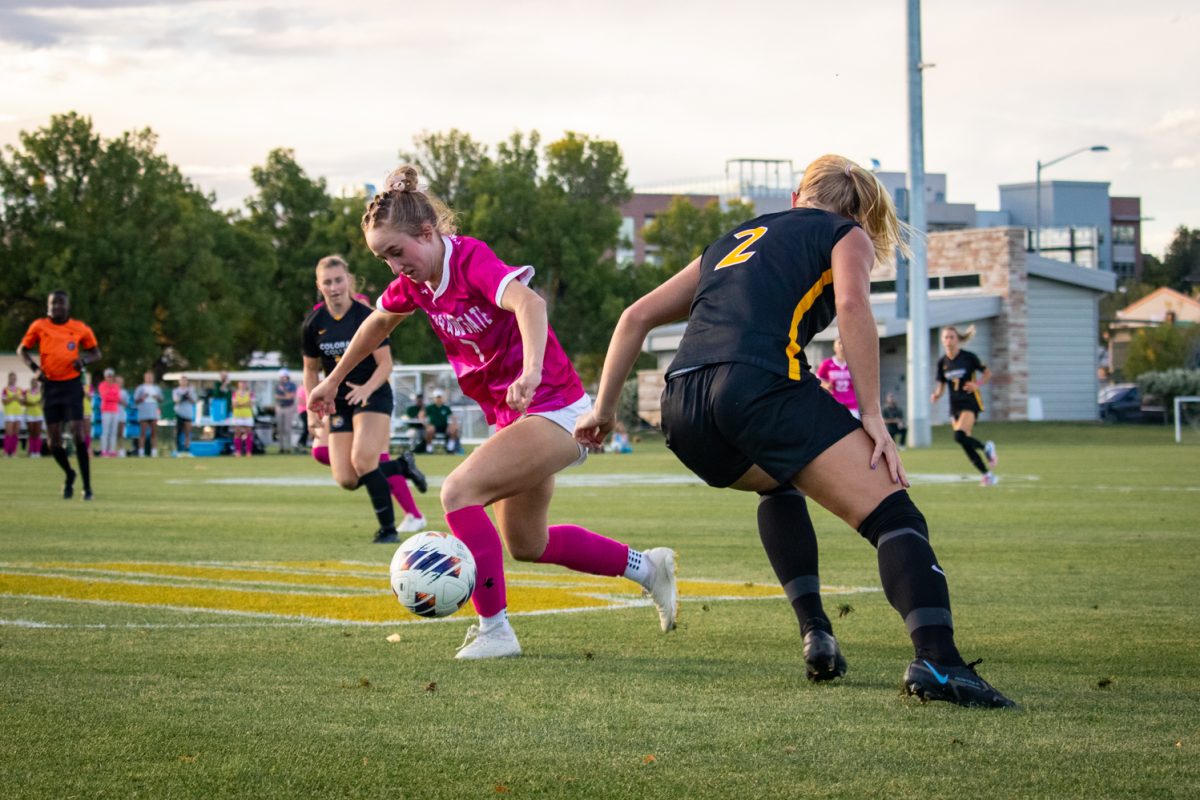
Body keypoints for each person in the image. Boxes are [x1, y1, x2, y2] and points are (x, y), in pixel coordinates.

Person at [575, 154, 1013, 708]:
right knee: (894, 513)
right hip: (757, 385)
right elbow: (854, 307)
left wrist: (603, 409)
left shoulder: (734, 239)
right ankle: (940, 663)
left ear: (796, 197)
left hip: (682, 406)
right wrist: (873, 416)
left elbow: (635, 315)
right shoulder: (843, 232)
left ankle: (817, 633)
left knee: (776, 482)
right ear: (861, 213)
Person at [309, 166, 677, 660]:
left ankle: (495, 629)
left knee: (458, 491)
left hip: (555, 407)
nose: (395, 266)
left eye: (398, 252)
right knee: (526, 542)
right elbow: (377, 324)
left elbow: (530, 304)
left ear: (428, 233)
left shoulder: (470, 259)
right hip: (517, 416)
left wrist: (529, 370)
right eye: (383, 258)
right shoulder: (415, 284)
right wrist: (332, 381)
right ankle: (648, 568)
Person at [302, 255, 428, 540]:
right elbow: (310, 371)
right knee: (346, 478)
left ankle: (388, 529)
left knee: (363, 460)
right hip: (339, 401)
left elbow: (386, 365)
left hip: (373, 394)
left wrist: (366, 389)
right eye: (327, 282)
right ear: (319, 286)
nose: (334, 287)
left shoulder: (366, 316)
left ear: (348, 280)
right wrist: (312, 412)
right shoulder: (313, 323)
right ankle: (400, 466)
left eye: (338, 280)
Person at [16, 290, 102, 498]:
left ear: (67, 306)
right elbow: (22, 350)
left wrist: (83, 361)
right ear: (48, 306)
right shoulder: (39, 326)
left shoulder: (79, 328)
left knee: (78, 434)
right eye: (53, 303)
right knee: (53, 443)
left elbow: (96, 353)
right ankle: (69, 474)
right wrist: (35, 369)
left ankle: (87, 487)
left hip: (72, 385)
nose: (57, 307)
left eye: (61, 303)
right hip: (50, 387)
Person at [931, 325, 998, 487]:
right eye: (946, 337)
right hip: (954, 406)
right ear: (942, 340)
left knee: (959, 436)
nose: (949, 340)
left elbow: (987, 373)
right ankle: (988, 475)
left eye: (952, 337)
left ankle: (986, 447)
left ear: (958, 339)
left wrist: (977, 384)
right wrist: (936, 395)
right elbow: (941, 386)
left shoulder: (968, 357)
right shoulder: (942, 363)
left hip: (970, 402)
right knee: (964, 442)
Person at [816, 337, 859, 419]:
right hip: (834, 403)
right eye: (839, 343)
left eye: (844, 343)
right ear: (834, 347)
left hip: (852, 404)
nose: (842, 346)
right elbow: (817, 379)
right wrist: (825, 385)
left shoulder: (853, 364)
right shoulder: (827, 364)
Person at [133, 371, 162, 457]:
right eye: (147, 377)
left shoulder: (156, 388)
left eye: (151, 377)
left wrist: (157, 397)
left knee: (154, 433)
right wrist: (142, 397)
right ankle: (141, 451)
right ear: (144, 378)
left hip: (153, 412)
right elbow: (136, 400)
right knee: (143, 433)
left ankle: (154, 452)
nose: (149, 379)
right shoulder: (140, 388)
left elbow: (161, 400)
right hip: (143, 412)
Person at [423, 389, 462, 453]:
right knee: (429, 431)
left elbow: (453, 417)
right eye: (437, 397)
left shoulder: (446, 408)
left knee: (454, 429)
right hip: (434, 426)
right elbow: (422, 416)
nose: (438, 399)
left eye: (440, 397)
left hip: (444, 426)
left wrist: (454, 424)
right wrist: (427, 425)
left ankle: (450, 448)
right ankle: (429, 449)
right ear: (434, 398)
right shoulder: (430, 407)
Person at [274, 369, 299, 454]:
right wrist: (285, 396)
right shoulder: (277, 385)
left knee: (287, 428)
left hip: (289, 407)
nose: (282, 378)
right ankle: (281, 448)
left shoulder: (292, 385)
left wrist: (283, 392)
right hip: (280, 408)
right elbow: (276, 397)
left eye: (283, 376)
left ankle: (288, 447)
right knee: (280, 429)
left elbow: (290, 397)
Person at [172, 375, 198, 455]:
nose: (183, 382)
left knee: (187, 432)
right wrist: (182, 397)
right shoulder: (176, 391)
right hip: (179, 413)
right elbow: (176, 401)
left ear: (187, 382)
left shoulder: (191, 391)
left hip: (188, 414)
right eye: (182, 380)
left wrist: (188, 397)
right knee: (178, 432)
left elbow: (194, 402)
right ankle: (178, 449)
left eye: (185, 380)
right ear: (179, 382)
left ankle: (187, 448)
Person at [230, 380, 255, 457]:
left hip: (247, 415)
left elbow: (251, 404)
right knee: (237, 433)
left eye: (244, 383)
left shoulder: (250, 394)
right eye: (241, 383)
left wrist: (240, 404)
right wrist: (245, 403)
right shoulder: (235, 394)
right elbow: (234, 405)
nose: (242, 385)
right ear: (238, 385)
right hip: (238, 415)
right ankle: (238, 451)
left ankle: (248, 452)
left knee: (248, 432)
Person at [3, 372, 23, 457]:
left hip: (18, 412)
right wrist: (12, 397)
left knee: (15, 433)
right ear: (9, 379)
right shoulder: (5, 389)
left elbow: (22, 402)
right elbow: (4, 402)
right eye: (11, 378)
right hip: (9, 413)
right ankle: (7, 452)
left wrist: (18, 398)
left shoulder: (19, 389)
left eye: (14, 378)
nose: (13, 380)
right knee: (9, 433)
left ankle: (14, 452)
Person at [23, 377, 44, 457]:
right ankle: (32, 452)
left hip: (38, 414)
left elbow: (42, 402)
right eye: (33, 382)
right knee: (32, 434)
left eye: (35, 382)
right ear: (31, 383)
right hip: (29, 415)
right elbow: (24, 402)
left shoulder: (40, 392)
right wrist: (32, 403)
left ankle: (37, 451)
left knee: (37, 434)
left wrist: (37, 403)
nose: (34, 384)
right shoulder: (26, 392)